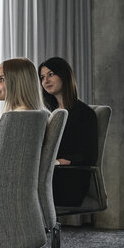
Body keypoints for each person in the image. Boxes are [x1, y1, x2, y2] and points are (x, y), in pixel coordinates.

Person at [39, 56, 98, 206]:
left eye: (51, 74)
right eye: (42, 77)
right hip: (49, 174)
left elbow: (89, 155)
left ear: (64, 75)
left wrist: (58, 162)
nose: (45, 81)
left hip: (70, 178)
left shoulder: (85, 113)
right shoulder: (47, 113)